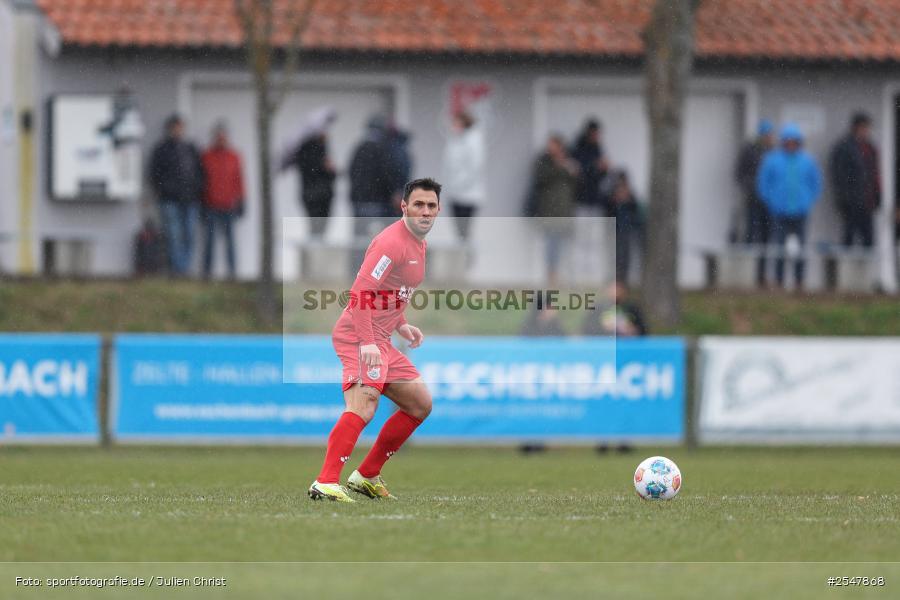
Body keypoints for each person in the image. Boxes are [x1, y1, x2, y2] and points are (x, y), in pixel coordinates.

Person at [308, 178, 441, 503]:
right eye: (419, 205)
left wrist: (402, 324)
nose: (425, 212)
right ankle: (324, 483)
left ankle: (366, 475)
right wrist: (367, 342)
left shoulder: (419, 243)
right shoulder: (391, 243)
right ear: (404, 207)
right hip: (359, 334)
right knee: (364, 404)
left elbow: (389, 294)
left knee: (419, 404)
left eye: (432, 206)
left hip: (380, 337)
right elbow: (361, 293)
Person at [757, 123, 823, 289]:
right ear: (783, 142)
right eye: (788, 141)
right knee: (779, 247)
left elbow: (815, 183)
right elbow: (763, 183)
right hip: (779, 210)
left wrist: (808, 200)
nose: (791, 144)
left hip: (801, 210)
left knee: (800, 248)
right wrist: (770, 200)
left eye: (794, 141)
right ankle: (779, 281)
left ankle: (799, 281)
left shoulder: (807, 161)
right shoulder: (772, 160)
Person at [149, 114, 204, 276]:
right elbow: (154, 175)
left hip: (190, 200)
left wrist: (196, 190)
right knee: (174, 236)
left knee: (189, 236)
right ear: (169, 129)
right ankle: (177, 271)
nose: (178, 130)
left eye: (180, 127)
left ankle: (185, 268)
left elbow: (200, 173)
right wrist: (164, 190)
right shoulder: (161, 150)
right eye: (175, 127)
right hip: (170, 200)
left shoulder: (191, 149)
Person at [349, 115, 396, 273]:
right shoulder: (382, 150)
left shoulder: (359, 148)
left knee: (359, 240)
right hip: (377, 203)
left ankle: (357, 270)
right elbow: (386, 176)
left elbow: (352, 173)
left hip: (360, 202)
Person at [281, 107, 337, 239]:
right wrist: (329, 170)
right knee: (318, 232)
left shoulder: (304, 150)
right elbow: (320, 171)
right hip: (317, 196)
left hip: (312, 195)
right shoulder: (313, 150)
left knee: (316, 231)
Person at [531, 134, 579, 285]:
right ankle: (551, 276)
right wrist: (558, 167)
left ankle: (567, 276)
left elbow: (576, 183)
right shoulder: (544, 162)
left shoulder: (568, 161)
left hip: (565, 212)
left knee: (565, 246)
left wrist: (570, 169)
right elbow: (540, 178)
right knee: (551, 246)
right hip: (550, 212)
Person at [829, 112, 881, 248]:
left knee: (869, 240)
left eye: (867, 128)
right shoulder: (844, 147)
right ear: (856, 127)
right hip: (851, 202)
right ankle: (847, 269)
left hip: (867, 202)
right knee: (849, 238)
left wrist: (877, 195)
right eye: (863, 127)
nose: (866, 131)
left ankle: (866, 269)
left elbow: (875, 174)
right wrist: (843, 198)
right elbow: (838, 175)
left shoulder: (870, 148)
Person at [200, 121, 244, 280]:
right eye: (218, 137)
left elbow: (239, 180)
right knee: (209, 243)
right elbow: (202, 181)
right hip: (211, 205)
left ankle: (232, 274)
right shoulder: (206, 156)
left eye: (223, 137)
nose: (221, 140)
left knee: (230, 243)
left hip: (229, 206)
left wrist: (242, 201)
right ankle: (207, 273)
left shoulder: (234, 156)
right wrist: (202, 202)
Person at [735, 119, 776, 286]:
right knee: (751, 236)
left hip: (770, 202)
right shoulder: (750, 150)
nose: (769, 137)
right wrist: (751, 187)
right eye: (767, 134)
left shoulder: (774, 153)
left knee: (766, 238)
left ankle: (761, 274)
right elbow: (739, 173)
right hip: (753, 200)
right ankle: (747, 274)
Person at [571, 119, 610, 282]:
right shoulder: (578, 150)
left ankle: (592, 277)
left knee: (594, 242)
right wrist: (596, 168)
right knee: (580, 241)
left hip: (595, 203)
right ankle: (578, 277)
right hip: (581, 202)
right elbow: (580, 174)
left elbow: (600, 178)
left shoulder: (598, 150)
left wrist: (603, 170)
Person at [441, 110, 486, 241]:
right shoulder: (454, 141)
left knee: (464, 232)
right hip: (454, 194)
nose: (453, 126)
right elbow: (448, 166)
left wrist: (459, 185)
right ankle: (461, 257)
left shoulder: (473, 141)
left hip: (468, 196)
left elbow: (475, 168)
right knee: (459, 233)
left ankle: (466, 258)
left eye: (455, 123)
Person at [605, 170, 643, 284]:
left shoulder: (631, 197)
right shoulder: (611, 196)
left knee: (625, 258)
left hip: (626, 232)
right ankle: (614, 281)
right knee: (614, 257)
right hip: (614, 231)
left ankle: (622, 282)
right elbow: (608, 213)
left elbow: (636, 213)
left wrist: (627, 201)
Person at [582, 281, 647, 337]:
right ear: (607, 290)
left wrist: (631, 330)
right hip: (602, 346)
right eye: (613, 288)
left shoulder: (632, 309)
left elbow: (643, 332)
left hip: (626, 346)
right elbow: (587, 330)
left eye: (618, 288)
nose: (616, 292)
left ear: (624, 291)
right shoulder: (598, 308)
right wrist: (603, 328)